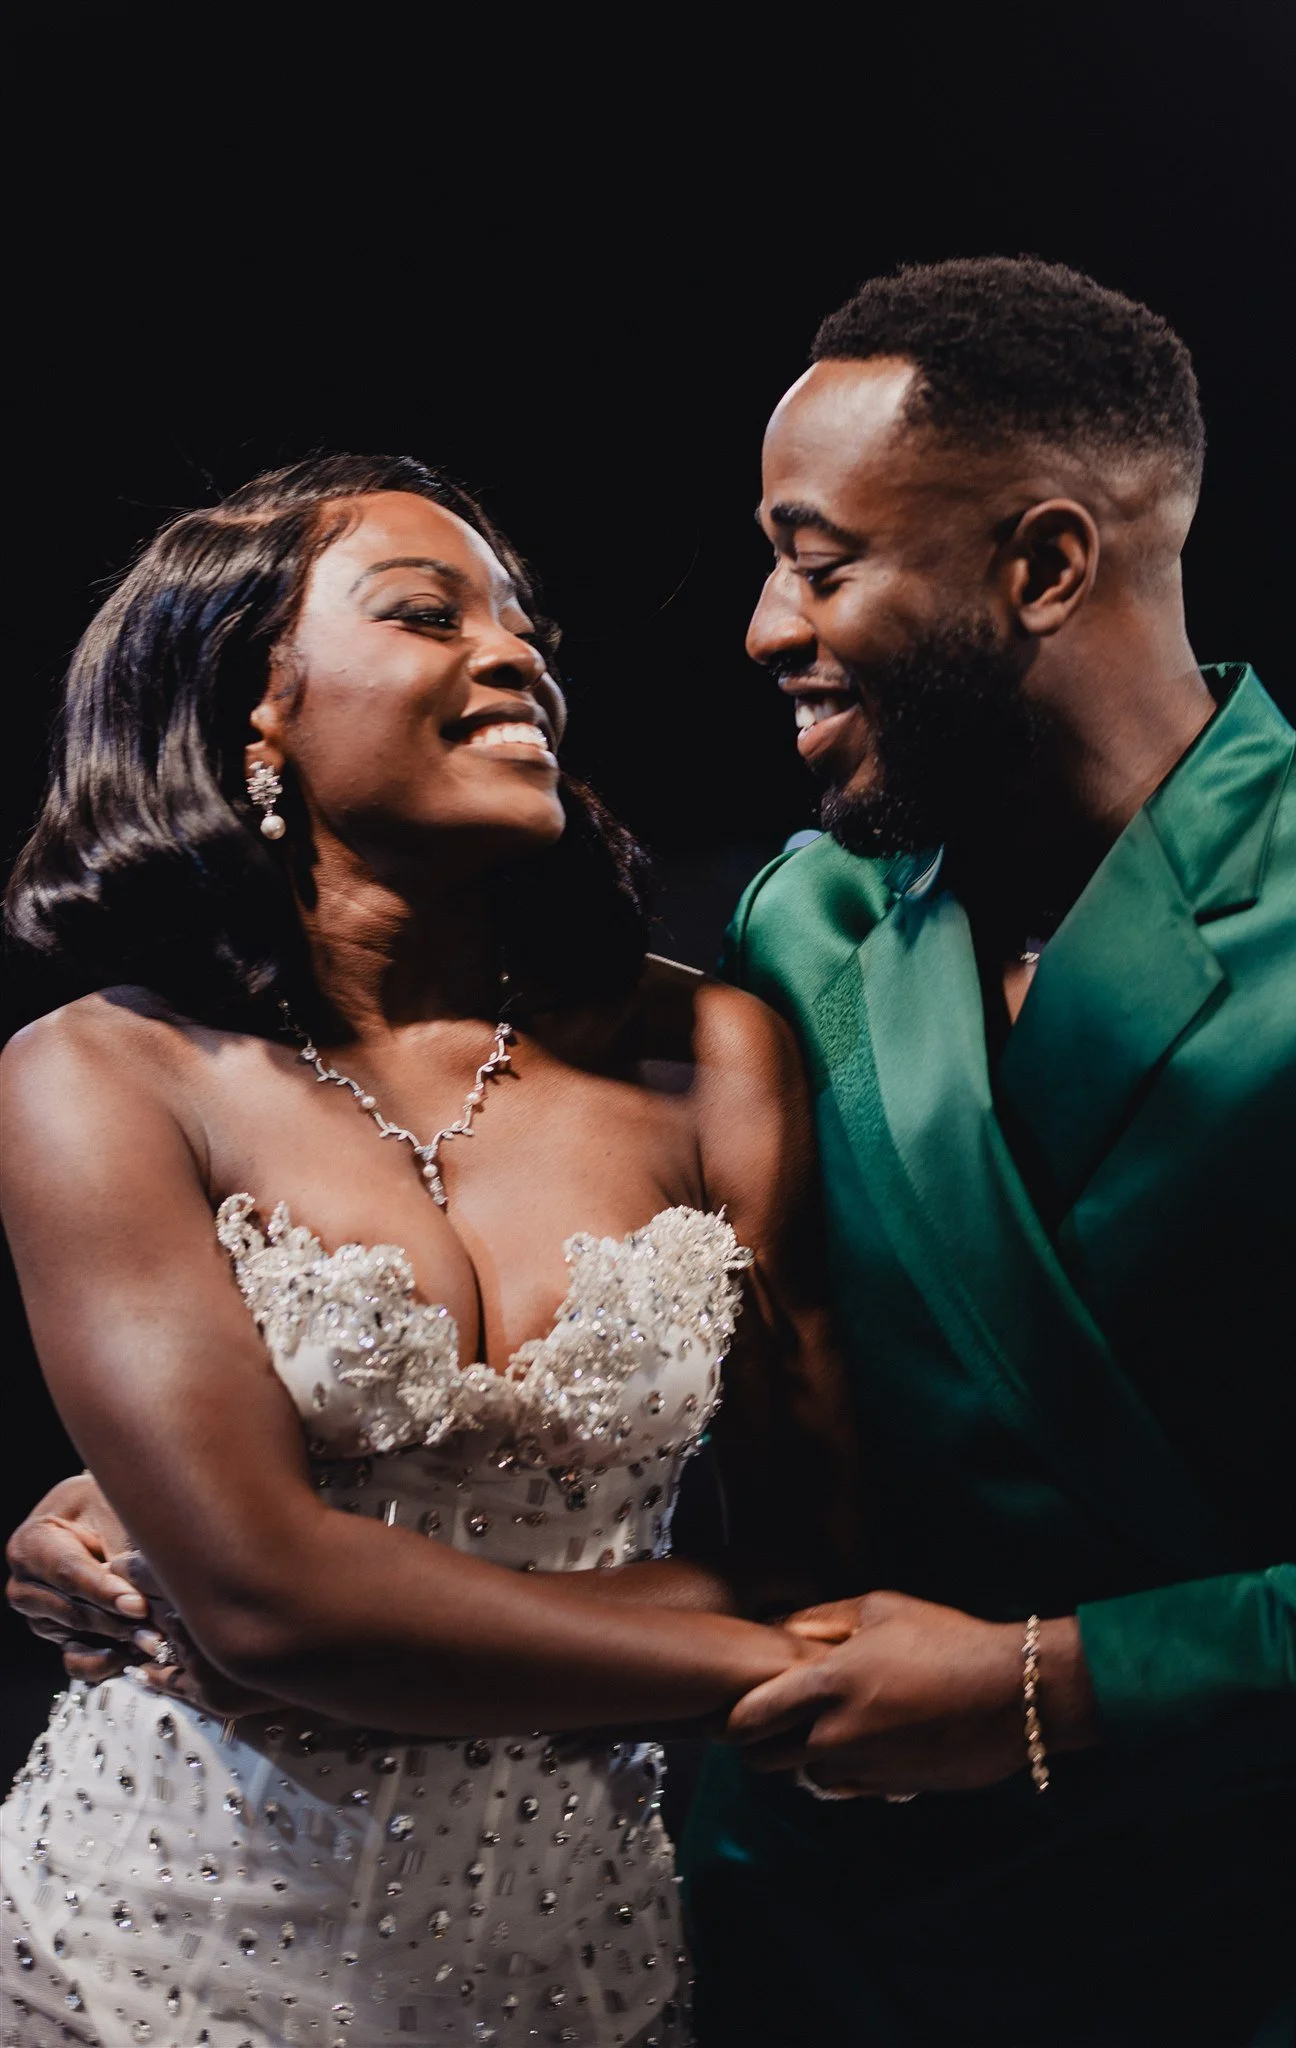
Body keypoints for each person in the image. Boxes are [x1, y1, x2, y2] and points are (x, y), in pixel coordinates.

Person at [0, 453, 856, 2048]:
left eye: (524, 625)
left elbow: (816, 1548)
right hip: (142, 1954)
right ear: (255, 707)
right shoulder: (100, 1078)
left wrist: (355, 1620)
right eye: (426, 612)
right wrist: (794, 1674)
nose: (518, 652)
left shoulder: (712, 1051)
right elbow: (271, 1608)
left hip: (574, 1959)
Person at [674, 258, 1296, 2045]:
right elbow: (610, 1311)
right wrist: (207, 1491)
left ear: (1044, 566)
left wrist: (1053, 1682)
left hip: (1268, 1942)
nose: (765, 626)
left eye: (818, 562)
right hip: (824, 1936)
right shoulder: (803, 920)